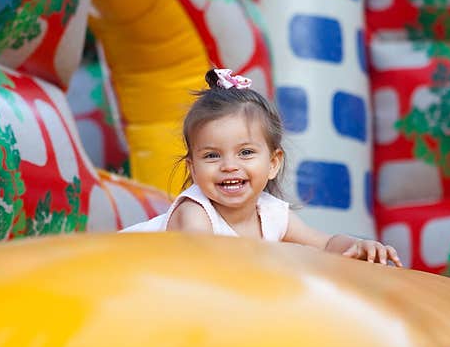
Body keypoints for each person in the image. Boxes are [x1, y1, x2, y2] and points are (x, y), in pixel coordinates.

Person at [121, 68, 403, 266]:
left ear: (272, 163)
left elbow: (327, 244)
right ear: (193, 169)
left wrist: (357, 247)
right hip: (119, 270)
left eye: (245, 152)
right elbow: (205, 264)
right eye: (211, 156)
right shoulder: (195, 214)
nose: (229, 166)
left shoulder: (271, 213)